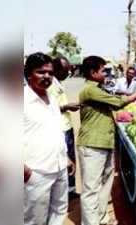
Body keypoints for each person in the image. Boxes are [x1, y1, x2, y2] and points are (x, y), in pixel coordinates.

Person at [77, 56, 136, 225]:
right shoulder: (90, 90)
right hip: (92, 144)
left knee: (105, 183)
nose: (106, 74)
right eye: (103, 70)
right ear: (93, 72)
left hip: (105, 142)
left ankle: (101, 218)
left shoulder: (99, 88)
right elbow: (118, 102)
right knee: (91, 188)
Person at [24, 52, 74, 225]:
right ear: (29, 74)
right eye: (41, 72)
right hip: (36, 172)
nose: (47, 76)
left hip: (59, 167)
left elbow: (56, 130)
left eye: (50, 73)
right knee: (34, 219)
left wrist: (66, 157)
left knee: (59, 212)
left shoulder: (52, 98)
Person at [48, 56, 80, 198]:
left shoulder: (59, 82)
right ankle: (61, 192)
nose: (68, 73)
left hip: (67, 126)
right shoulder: (50, 85)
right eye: (65, 70)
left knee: (71, 158)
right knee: (63, 160)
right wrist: (66, 107)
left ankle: (71, 190)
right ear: (56, 69)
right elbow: (48, 108)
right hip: (59, 128)